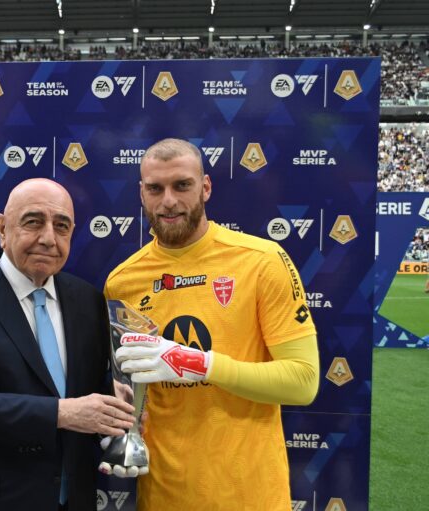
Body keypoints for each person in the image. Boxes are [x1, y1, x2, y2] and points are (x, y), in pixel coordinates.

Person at [103, 139, 320, 510]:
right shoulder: (122, 281)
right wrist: (123, 425)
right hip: (162, 496)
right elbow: (131, 386)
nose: (168, 200)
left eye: (182, 185)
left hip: (250, 496)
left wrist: (200, 364)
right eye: (155, 188)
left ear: (205, 187)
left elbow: (304, 381)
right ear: (141, 193)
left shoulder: (262, 261)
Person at [0, 178, 135, 511]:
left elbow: (88, 393)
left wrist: (115, 412)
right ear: (3, 228)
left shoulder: (88, 301)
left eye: (61, 226)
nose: (48, 238)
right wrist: (62, 413)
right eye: (33, 222)